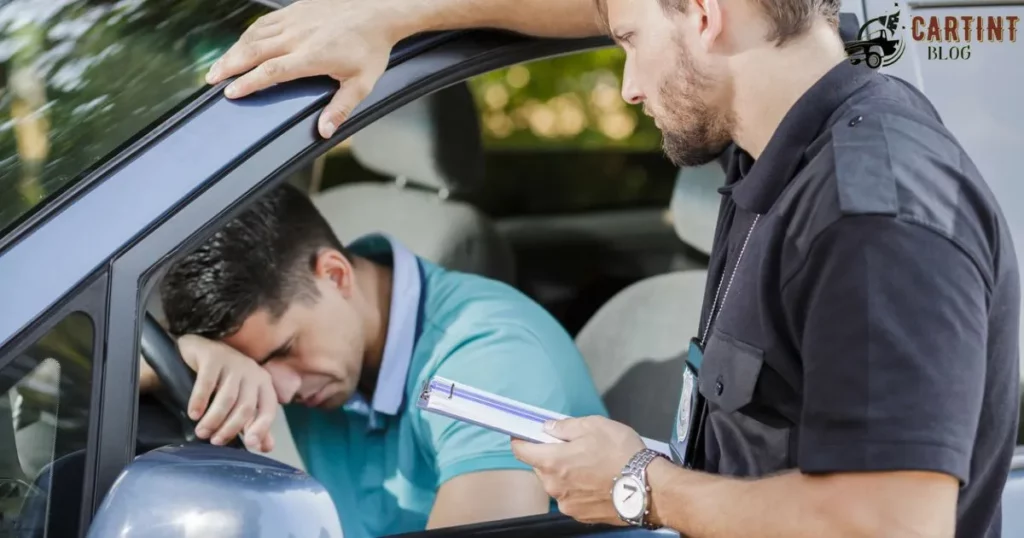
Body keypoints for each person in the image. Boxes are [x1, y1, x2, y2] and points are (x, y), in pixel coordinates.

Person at [203, 0, 1021, 537]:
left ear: (704, 13)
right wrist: (391, 17)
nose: (625, 84)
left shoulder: (873, 213)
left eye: (626, 41)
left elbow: (888, 526)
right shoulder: (776, 156)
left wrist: (641, 483)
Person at [140, 184, 608, 538]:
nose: (279, 393)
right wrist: (189, 354)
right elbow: (97, 377)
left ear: (335, 274)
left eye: (284, 350)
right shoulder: (325, 353)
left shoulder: (488, 355)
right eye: (252, 366)